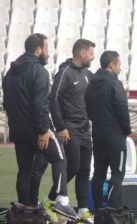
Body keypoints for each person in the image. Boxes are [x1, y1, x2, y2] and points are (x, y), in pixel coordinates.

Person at [2, 33, 77, 222]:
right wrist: (44, 130)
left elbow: (7, 103)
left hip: (19, 132)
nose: (48, 53)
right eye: (47, 48)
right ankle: (62, 200)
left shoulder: (9, 73)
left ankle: (24, 212)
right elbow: (39, 104)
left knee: (25, 171)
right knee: (60, 159)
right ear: (38, 50)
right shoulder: (39, 72)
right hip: (38, 130)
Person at [49, 38, 95, 223]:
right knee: (74, 167)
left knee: (84, 170)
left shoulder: (88, 74)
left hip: (85, 129)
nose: (92, 57)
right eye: (91, 53)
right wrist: (61, 127)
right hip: (69, 129)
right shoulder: (64, 73)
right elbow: (54, 100)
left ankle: (83, 209)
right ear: (82, 53)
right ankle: (52, 200)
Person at [84, 51, 131, 211]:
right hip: (115, 137)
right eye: (119, 64)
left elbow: (88, 109)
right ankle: (112, 210)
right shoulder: (114, 83)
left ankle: (98, 211)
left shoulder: (92, 83)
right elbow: (122, 110)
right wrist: (126, 130)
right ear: (112, 65)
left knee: (99, 174)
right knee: (117, 175)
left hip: (98, 136)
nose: (120, 68)